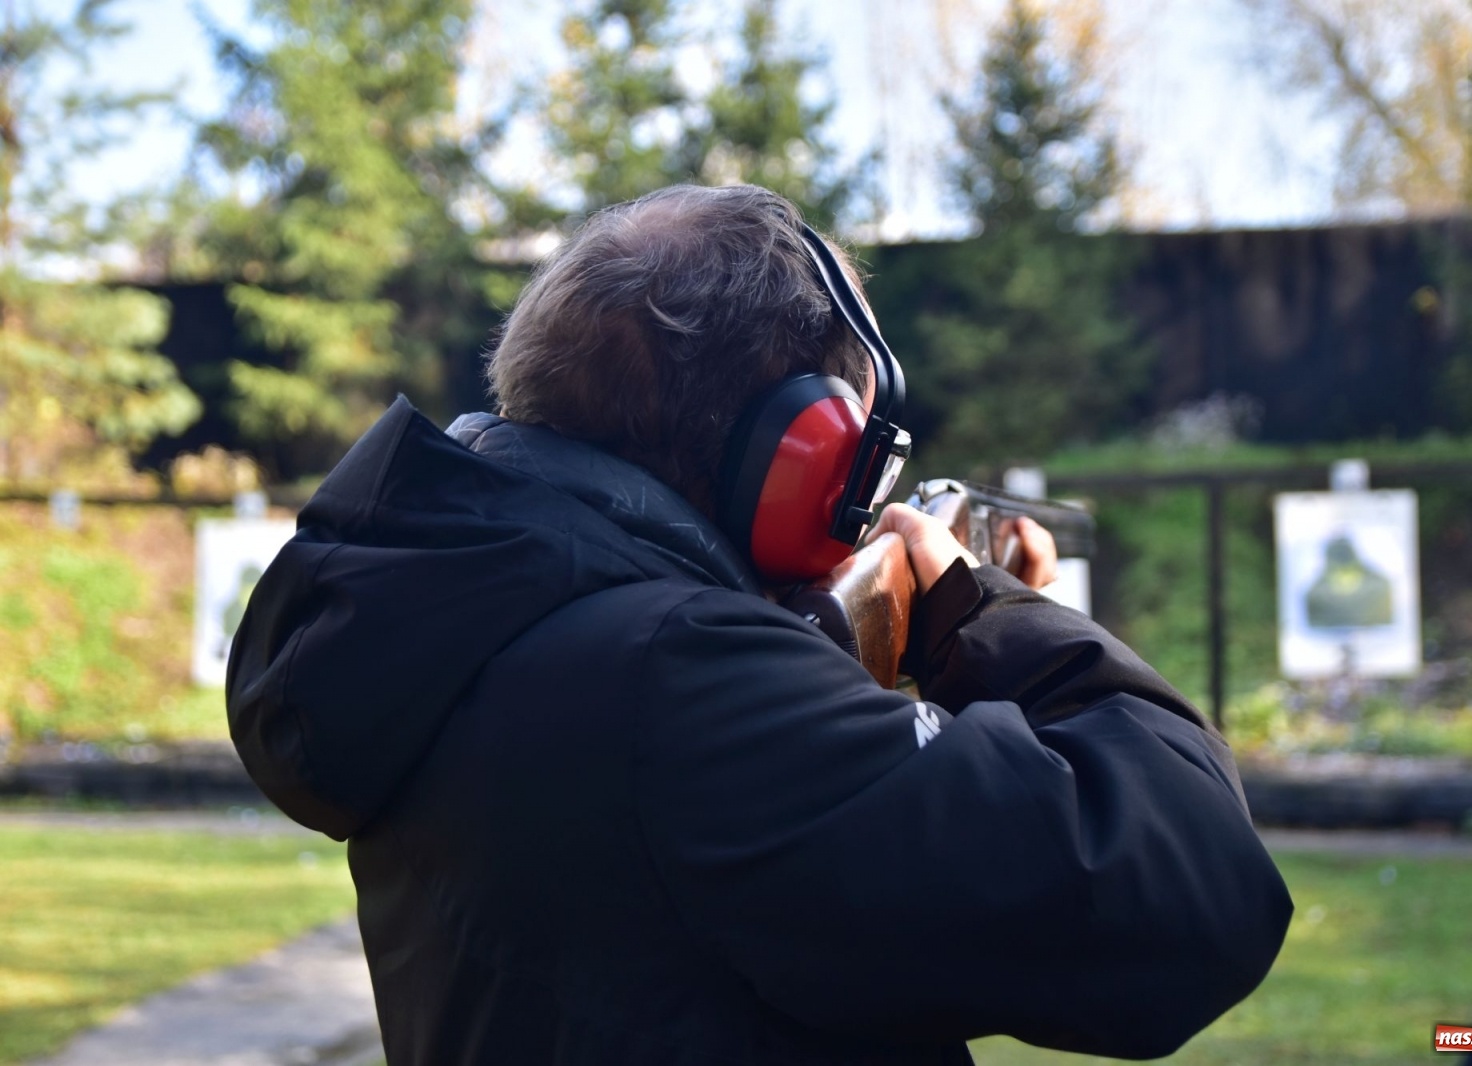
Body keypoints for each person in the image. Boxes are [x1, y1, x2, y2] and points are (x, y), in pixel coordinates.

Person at [227, 184, 1292, 1065]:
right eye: (860, 473)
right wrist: (982, 611)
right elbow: (1194, 890)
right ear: (807, 454)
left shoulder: (467, 632)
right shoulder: (679, 678)